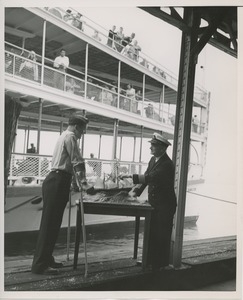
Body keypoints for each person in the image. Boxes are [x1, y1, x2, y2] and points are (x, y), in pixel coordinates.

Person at [31, 115, 89, 275]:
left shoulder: (63, 136)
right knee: (49, 224)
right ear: (76, 127)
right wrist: (84, 183)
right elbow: (77, 161)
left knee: (53, 223)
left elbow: (67, 164)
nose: (81, 135)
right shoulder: (70, 137)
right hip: (57, 181)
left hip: (58, 180)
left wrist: (74, 184)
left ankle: (47, 258)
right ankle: (39, 265)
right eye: (82, 131)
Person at [122, 133, 177, 271]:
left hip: (165, 205)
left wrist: (130, 176)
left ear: (163, 148)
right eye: (151, 145)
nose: (150, 148)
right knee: (152, 233)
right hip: (154, 204)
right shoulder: (153, 160)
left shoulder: (167, 164)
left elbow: (150, 177)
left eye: (154, 145)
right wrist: (135, 192)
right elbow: (146, 180)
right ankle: (150, 261)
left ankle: (160, 265)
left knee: (162, 234)